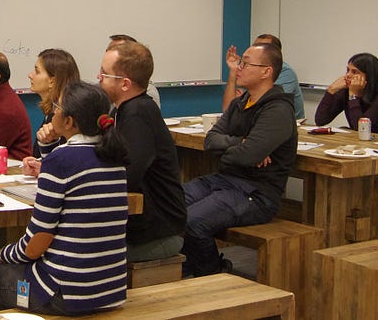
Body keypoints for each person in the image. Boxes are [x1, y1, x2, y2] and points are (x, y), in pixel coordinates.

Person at [0, 82, 130, 316]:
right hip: (110, 289)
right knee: (1, 299)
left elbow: (36, 242)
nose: (52, 112)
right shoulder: (112, 155)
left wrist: (1, 254)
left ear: (69, 122)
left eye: (57, 108)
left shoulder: (61, 160)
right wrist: (48, 149)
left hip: (64, 294)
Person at [181, 43, 297, 277]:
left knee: (193, 222)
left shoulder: (278, 110)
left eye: (245, 63)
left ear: (267, 71)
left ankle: (213, 274)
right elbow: (210, 141)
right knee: (170, 204)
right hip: (224, 180)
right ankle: (196, 267)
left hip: (256, 193)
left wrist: (245, 149)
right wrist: (240, 142)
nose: (239, 67)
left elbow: (249, 155)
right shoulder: (240, 103)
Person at [97, 42, 187, 262]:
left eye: (105, 74)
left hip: (156, 234)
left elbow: (126, 176)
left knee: (71, 252)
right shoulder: (123, 110)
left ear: (125, 84)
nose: (98, 78)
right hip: (142, 227)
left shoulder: (137, 114)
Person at [20, 48, 81, 174]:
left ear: (52, 81)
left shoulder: (65, 118)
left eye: (37, 71)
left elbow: (67, 164)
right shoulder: (51, 112)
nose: (30, 75)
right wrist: (36, 164)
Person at [223, 34, 304, 120]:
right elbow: (228, 112)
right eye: (254, 46)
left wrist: (243, 100)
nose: (254, 50)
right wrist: (233, 72)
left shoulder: (285, 73)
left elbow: (264, 104)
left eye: (261, 47)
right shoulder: (249, 76)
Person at [315, 53, 378, 136]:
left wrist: (353, 96)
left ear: (369, 76)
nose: (347, 75)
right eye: (348, 70)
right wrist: (331, 90)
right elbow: (320, 120)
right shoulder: (346, 91)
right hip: (361, 143)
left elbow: (361, 128)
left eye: (354, 72)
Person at [108, 34, 161, 108]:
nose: (108, 55)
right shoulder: (104, 85)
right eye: (108, 51)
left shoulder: (146, 92)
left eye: (116, 52)